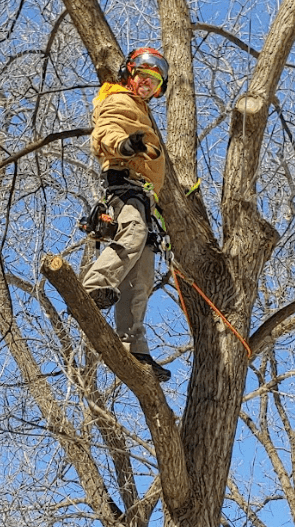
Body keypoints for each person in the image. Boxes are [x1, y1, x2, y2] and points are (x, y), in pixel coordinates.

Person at [82, 47, 171, 383]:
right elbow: (105, 131)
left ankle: (134, 344)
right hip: (124, 185)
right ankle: (94, 284)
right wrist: (125, 145)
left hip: (146, 196)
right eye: (143, 78)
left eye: (154, 82)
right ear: (129, 74)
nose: (147, 86)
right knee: (131, 232)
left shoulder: (142, 110)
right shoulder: (119, 100)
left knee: (142, 276)